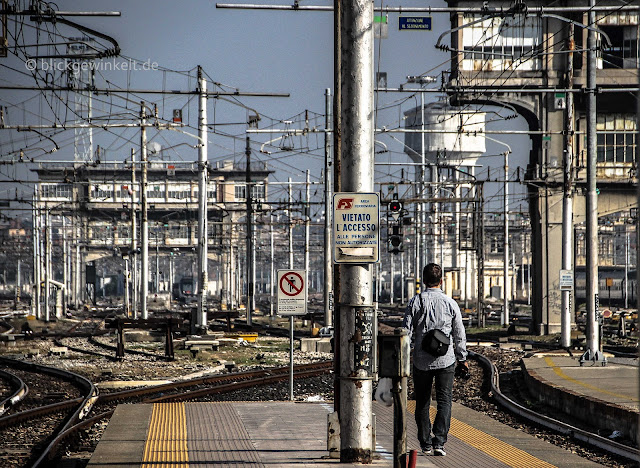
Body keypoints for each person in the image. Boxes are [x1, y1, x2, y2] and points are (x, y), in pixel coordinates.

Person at [402, 263, 468, 457]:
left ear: (423, 281)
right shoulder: (450, 303)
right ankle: (439, 442)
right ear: (441, 281)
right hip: (445, 360)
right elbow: (459, 333)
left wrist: (405, 358)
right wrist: (462, 357)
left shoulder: (415, 302)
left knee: (422, 402)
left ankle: (425, 443)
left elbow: (405, 332)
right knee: (444, 401)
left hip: (421, 361)